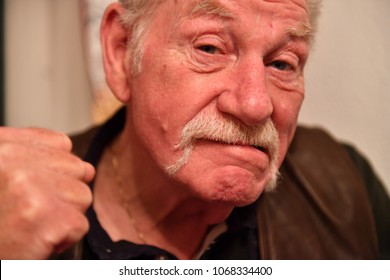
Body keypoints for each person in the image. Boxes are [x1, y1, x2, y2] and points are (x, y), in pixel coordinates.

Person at [0, 0, 389, 260]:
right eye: (209, 49)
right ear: (121, 51)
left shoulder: (347, 188)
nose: (256, 105)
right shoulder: (18, 218)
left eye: (283, 64)